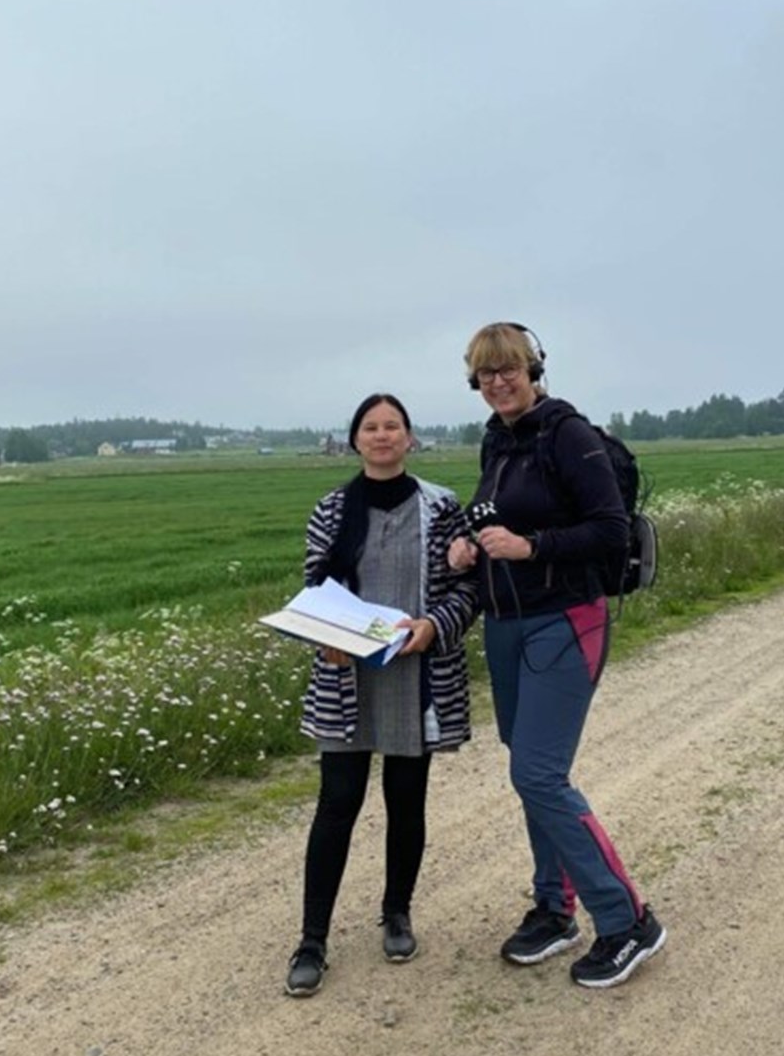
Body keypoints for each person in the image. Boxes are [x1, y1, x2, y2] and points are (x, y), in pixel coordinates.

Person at [447, 322, 666, 989]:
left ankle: (627, 920)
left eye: (509, 368)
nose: (498, 382)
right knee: (529, 769)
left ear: (534, 368)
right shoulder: (499, 442)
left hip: (566, 620)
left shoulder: (567, 434)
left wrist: (532, 547)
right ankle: (554, 906)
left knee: (539, 774)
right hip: (507, 624)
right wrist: (468, 545)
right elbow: (493, 519)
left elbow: (606, 530)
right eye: (486, 373)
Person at [285, 392, 478, 997]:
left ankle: (397, 912)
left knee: (406, 801)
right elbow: (314, 589)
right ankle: (312, 938)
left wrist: (432, 627)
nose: (382, 435)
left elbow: (466, 591)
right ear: (355, 440)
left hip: (414, 675)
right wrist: (327, 639)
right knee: (336, 805)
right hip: (349, 679)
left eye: (393, 425)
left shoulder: (443, 508)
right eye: (371, 427)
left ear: (410, 438)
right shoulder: (331, 508)